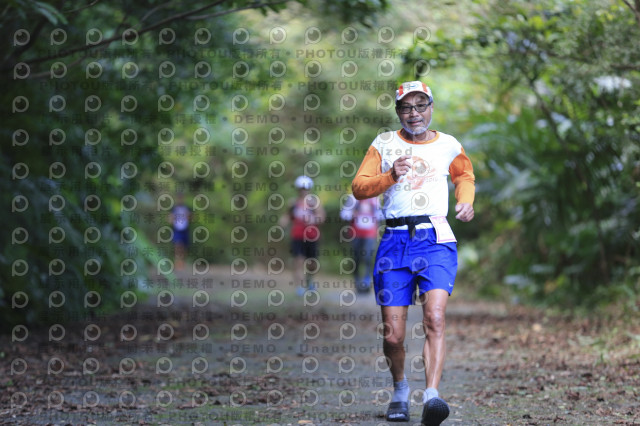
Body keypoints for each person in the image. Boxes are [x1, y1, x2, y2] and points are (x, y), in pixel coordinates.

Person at [351, 81, 475, 425]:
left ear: (431, 107)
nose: (414, 113)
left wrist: (466, 201)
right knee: (393, 334)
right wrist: (390, 175)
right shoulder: (384, 143)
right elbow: (359, 187)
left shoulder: (448, 144)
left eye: (421, 105)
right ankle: (400, 388)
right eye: (406, 107)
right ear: (398, 112)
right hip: (394, 241)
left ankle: (432, 395)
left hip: (436, 238)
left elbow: (464, 176)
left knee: (435, 317)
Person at [279, 175, 326, 295]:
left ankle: (309, 281)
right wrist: (283, 222)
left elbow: (321, 217)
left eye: (305, 188)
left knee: (312, 264)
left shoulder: (314, 203)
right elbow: (287, 216)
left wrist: (313, 220)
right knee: (298, 261)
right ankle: (299, 286)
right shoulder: (293, 203)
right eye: (301, 188)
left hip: (312, 237)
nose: (303, 191)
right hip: (297, 236)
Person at [339, 193, 383, 293]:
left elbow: (380, 216)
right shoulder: (353, 198)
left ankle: (366, 281)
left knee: (368, 257)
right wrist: (353, 213)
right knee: (357, 258)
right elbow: (344, 214)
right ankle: (357, 282)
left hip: (370, 233)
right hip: (355, 233)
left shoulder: (375, 199)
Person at [169, 193, 191, 271]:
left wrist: (188, 216)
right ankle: (177, 262)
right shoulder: (174, 209)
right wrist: (173, 218)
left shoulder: (187, 208)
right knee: (178, 246)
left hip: (185, 229)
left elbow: (191, 218)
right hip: (177, 229)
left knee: (184, 246)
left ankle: (183, 262)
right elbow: (170, 220)